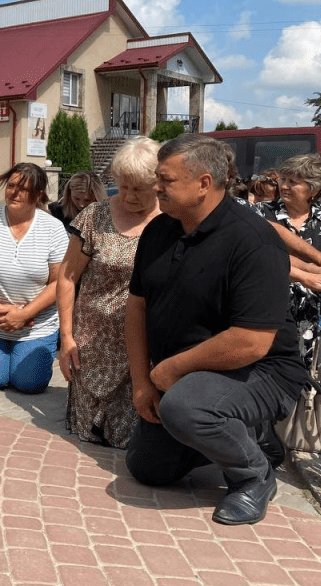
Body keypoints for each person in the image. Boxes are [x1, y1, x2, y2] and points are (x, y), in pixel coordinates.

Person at [125, 134, 306, 526]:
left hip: (261, 372)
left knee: (186, 408)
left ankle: (254, 475)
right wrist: (142, 382)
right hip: (189, 374)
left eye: (166, 180)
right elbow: (137, 306)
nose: (156, 187)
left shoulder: (252, 241)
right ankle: (238, 432)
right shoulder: (159, 231)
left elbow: (252, 341)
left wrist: (171, 371)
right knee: (148, 468)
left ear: (204, 183)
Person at [57, 137, 160, 448]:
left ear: (158, 184)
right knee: (90, 435)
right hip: (93, 342)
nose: (127, 195)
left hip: (143, 345)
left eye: (138, 189)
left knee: (133, 436)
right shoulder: (94, 216)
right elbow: (66, 276)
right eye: (122, 185)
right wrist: (66, 337)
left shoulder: (171, 220)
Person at [0, 163, 68, 393]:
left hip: (36, 325)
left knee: (29, 384)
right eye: (10, 186)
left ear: (39, 194)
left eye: (24, 188)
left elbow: (58, 282)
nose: (14, 193)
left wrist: (25, 314)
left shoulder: (54, 229)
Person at [255, 154, 321, 362]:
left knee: (312, 375)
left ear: (313, 189)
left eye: (293, 182)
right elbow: (269, 254)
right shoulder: (262, 212)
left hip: (316, 317)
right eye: (284, 180)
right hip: (272, 313)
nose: (284, 186)